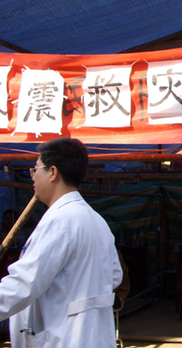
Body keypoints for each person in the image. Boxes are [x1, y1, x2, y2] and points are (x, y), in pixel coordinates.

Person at [0, 138, 123, 348]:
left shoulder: (60, 221)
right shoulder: (96, 220)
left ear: (53, 172)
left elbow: (24, 284)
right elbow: (114, 276)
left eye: (35, 169)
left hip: (66, 338)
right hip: (94, 336)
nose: (33, 177)